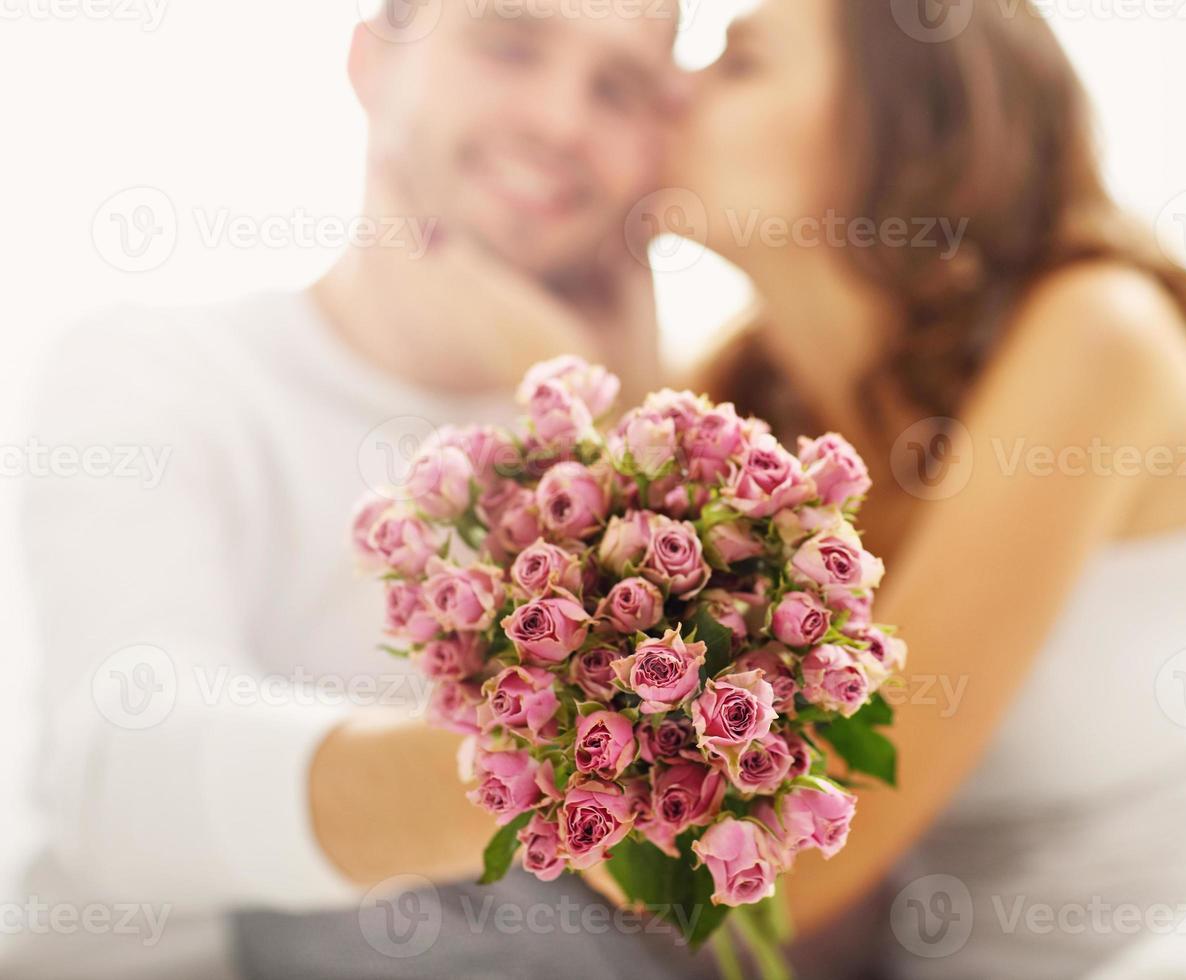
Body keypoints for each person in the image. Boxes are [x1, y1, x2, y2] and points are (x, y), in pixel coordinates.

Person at [650, 0, 1186, 975]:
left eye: (738, 62)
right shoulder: (745, 396)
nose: (672, 89)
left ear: (911, 121)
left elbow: (796, 856)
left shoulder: (1094, 333)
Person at [10, 1, 687, 977]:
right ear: (373, 60)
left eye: (618, 86)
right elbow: (120, 768)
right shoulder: (159, 369)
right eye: (508, 42)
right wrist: (562, 770)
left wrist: (590, 409)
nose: (562, 121)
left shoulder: (648, 446)